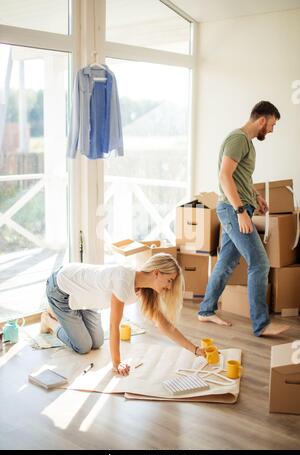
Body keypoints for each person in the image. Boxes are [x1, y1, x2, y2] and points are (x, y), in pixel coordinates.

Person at [198, 101, 290, 337]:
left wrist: (255, 196)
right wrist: (240, 212)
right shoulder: (238, 139)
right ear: (262, 120)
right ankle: (261, 324)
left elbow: (240, 177)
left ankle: (206, 310)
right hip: (232, 210)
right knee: (259, 263)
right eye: (272, 124)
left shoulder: (246, 143)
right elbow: (224, 175)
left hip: (237, 208)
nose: (271, 130)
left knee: (226, 263)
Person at [42, 253, 205, 376]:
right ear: (157, 273)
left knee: (97, 342)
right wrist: (117, 362)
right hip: (62, 288)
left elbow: (165, 326)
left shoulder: (145, 289)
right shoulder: (124, 280)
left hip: (86, 298)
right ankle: (49, 321)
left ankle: (65, 315)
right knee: (83, 347)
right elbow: (114, 325)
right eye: (169, 280)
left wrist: (196, 350)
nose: (169, 287)